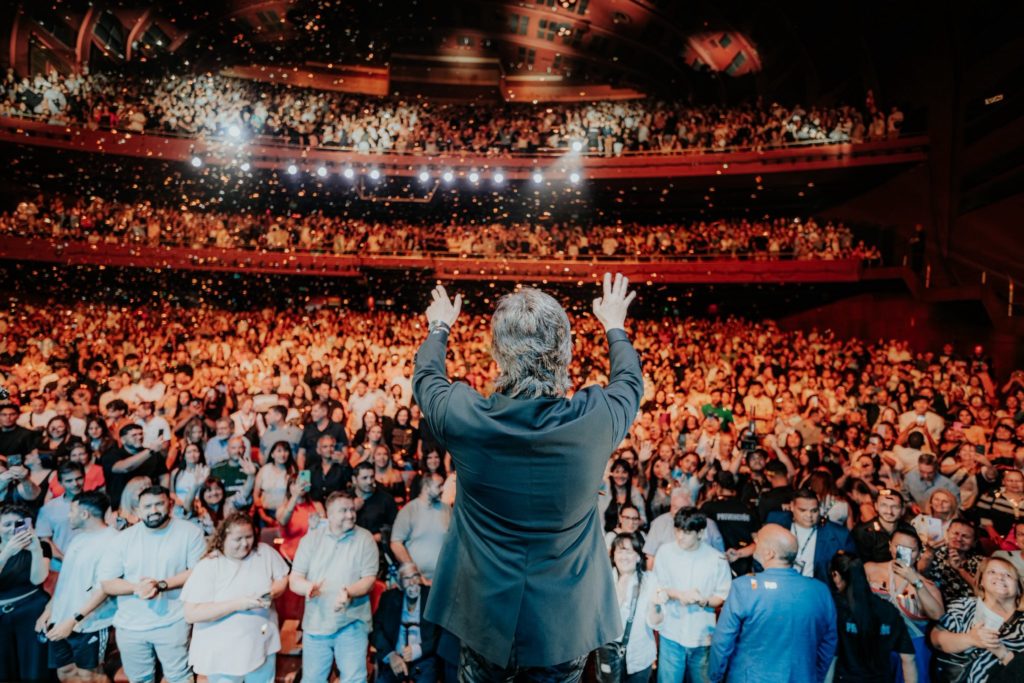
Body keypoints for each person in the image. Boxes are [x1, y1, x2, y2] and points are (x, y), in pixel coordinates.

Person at [413, 274, 642, 677]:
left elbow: (427, 378)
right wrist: (614, 326)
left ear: (498, 353)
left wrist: (440, 326)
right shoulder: (596, 420)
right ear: (565, 352)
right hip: (562, 625)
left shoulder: (464, 417)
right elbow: (629, 382)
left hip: (485, 620)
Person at [98, 485, 205, 683]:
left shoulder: (190, 532)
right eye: (147, 506)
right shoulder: (123, 539)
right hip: (130, 625)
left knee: (179, 677)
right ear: (138, 510)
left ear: (170, 505)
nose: (153, 511)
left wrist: (161, 585)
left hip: (173, 621)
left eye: (159, 504)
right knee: (139, 679)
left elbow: (199, 572)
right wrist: (135, 588)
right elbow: (107, 583)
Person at [708, 524, 837, 683]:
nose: (754, 541)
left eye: (758, 540)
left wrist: (715, 676)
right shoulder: (820, 591)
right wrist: (814, 676)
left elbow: (722, 641)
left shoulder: (743, 587)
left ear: (769, 553)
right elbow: (828, 643)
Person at [181, 513, 289, 683]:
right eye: (238, 539)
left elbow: (282, 577)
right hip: (224, 652)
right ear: (224, 537)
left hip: (261, 643)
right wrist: (239, 604)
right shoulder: (209, 565)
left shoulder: (264, 553)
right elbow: (191, 613)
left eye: (249, 537)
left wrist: (273, 592)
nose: (245, 544)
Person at [288, 491, 379, 683]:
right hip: (317, 623)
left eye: (352, 509)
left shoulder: (365, 538)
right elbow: (294, 579)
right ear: (328, 514)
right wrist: (308, 588)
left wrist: (349, 592)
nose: (350, 515)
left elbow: (369, 579)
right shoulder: (311, 539)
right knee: (313, 679)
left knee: (354, 679)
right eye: (343, 510)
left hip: (352, 622)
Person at [37, 491, 117, 683]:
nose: (68, 515)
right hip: (60, 618)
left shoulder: (113, 541)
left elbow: (103, 590)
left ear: (84, 514)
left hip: (91, 623)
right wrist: (49, 610)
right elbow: (67, 581)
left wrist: (73, 621)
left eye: (72, 510)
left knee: (90, 676)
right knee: (65, 672)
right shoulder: (78, 539)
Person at [653, 508, 731, 683]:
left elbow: (721, 596)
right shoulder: (665, 552)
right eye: (678, 530)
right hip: (671, 632)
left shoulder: (716, 559)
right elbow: (657, 587)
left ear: (701, 532)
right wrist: (678, 594)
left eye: (687, 532)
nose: (680, 536)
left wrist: (703, 601)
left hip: (703, 635)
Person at [864, 528, 944, 682]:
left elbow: (937, 614)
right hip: (876, 643)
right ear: (890, 546)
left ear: (919, 553)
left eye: (911, 550)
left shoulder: (928, 586)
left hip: (913, 648)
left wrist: (915, 581)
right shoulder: (870, 569)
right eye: (898, 547)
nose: (903, 553)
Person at [931, 556, 1024, 683]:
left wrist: (1002, 652)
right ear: (981, 581)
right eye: (992, 572)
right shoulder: (963, 606)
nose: (1000, 577)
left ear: (1018, 588)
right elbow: (936, 639)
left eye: (1008, 575)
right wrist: (970, 639)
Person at [829, 553, 918, 683]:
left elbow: (832, 658)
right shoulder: (889, 610)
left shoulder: (838, 610)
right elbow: (908, 659)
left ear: (836, 575)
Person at [597, 533, 660, 683]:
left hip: (639, 657)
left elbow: (655, 623)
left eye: (629, 551)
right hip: (609, 655)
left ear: (638, 556)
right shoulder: (604, 581)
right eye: (620, 551)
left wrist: (655, 604)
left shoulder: (649, 581)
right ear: (613, 555)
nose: (624, 556)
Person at [0, 503, 51, 682]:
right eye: (6, 524)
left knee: (34, 667)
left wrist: (36, 550)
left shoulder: (40, 546)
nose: (12, 529)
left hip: (31, 609)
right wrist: (6, 553)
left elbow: (38, 579)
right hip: (1, 614)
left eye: (18, 523)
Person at [763, 488, 858, 583]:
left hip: (816, 589)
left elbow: (851, 573)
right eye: (803, 510)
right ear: (792, 506)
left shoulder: (838, 534)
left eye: (814, 511)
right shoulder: (776, 521)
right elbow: (760, 555)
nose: (809, 515)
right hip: (781, 584)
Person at [372, 562, 441, 683]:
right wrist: (391, 655)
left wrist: (419, 649)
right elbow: (376, 630)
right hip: (395, 659)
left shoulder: (431, 597)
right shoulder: (388, 598)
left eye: (415, 576)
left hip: (423, 659)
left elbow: (439, 632)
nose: (412, 582)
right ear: (399, 584)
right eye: (407, 578)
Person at [390, 472, 451, 582]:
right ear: (426, 488)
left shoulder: (447, 510)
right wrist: (414, 573)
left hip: (444, 578)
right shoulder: (409, 510)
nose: (443, 489)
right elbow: (396, 543)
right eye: (439, 486)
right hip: (416, 581)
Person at [36, 461, 87, 557]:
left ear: (84, 477)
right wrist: (64, 559)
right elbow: (45, 540)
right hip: (60, 567)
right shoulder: (49, 508)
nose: (75, 484)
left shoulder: (97, 503)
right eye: (69, 481)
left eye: (79, 478)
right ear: (60, 482)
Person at [853, 488, 917, 562]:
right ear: (876, 506)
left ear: (903, 510)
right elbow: (861, 566)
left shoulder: (908, 530)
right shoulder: (863, 532)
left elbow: (906, 562)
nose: (889, 511)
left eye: (895, 507)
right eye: (884, 505)